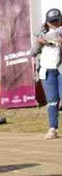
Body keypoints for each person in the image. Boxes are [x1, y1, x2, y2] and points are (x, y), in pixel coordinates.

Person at [33, 8, 62, 140]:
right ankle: (53, 129)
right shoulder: (42, 34)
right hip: (47, 70)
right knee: (52, 101)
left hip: (60, 69)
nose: (55, 23)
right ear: (47, 22)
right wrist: (39, 42)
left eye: (57, 20)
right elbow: (32, 52)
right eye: (52, 21)